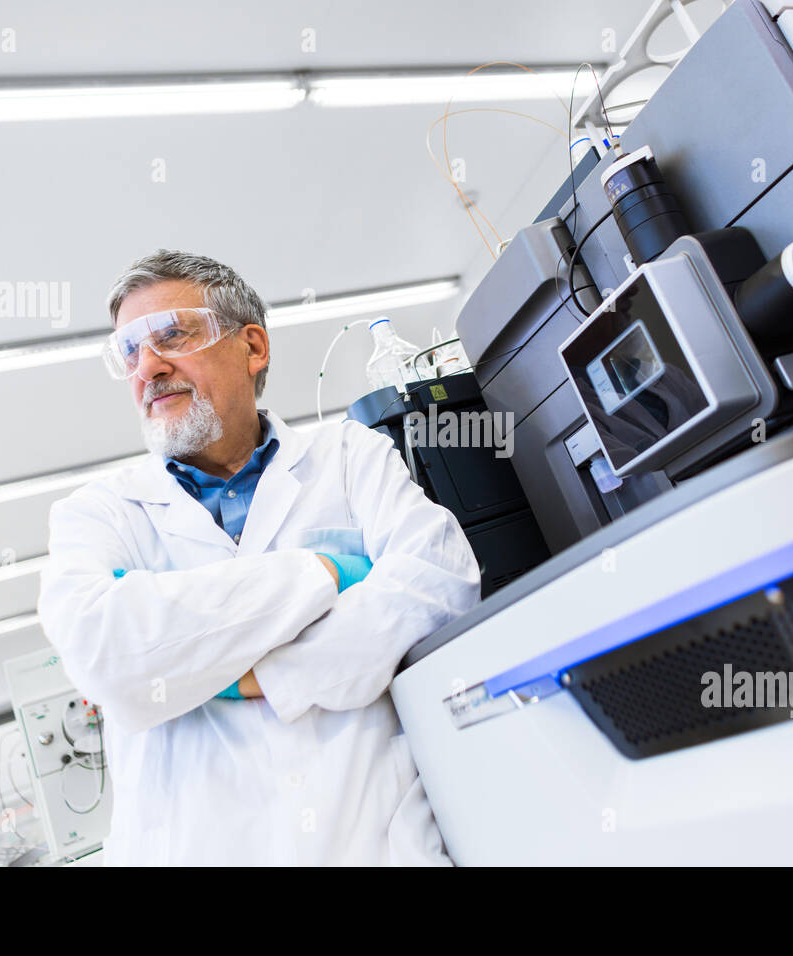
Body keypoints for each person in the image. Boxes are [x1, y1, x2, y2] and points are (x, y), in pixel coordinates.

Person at [36, 249, 481, 865]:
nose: (149, 368)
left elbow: (441, 582)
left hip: (372, 845)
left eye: (172, 335)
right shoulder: (100, 512)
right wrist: (325, 573)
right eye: (130, 352)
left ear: (252, 348)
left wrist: (250, 677)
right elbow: (102, 648)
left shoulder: (349, 456)